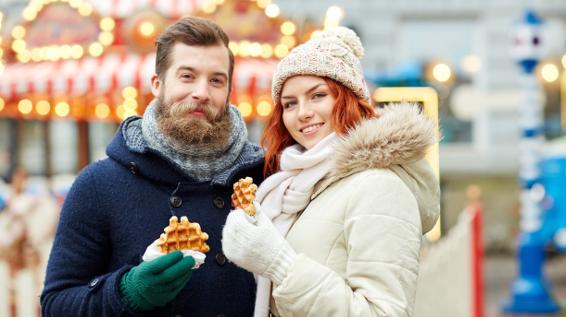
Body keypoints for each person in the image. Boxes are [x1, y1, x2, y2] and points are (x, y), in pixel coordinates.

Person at [41, 17, 264, 317]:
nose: (202, 92)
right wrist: (127, 292)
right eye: (187, 76)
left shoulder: (263, 176)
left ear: (227, 91)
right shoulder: (99, 184)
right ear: (157, 84)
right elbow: (56, 304)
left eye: (216, 80)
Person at [222, 27, 441, 316]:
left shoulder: (380, 188)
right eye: (290, 103)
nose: (302, 112)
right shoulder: (294, 186)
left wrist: (280, 263)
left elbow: (383, 312)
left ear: (348, 98)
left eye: (318, 96)